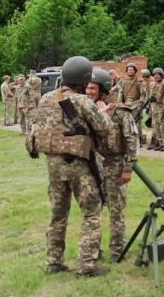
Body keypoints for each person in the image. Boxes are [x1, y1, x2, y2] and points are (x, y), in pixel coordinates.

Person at [28, 55, 113, 276]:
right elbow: (104, 128)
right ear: (85, 80)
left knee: (58, 214)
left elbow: (35, 132)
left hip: (53, 166)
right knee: (91, 213)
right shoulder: (83, 101)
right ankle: (86, 265)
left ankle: (53, 261)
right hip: (79, 166)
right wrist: (104, 113)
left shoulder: (46, 98)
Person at [88, 67, 138, 258]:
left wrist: (128, 168)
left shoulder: (121, 112)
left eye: (93, 89)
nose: (89, 92)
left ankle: (117, 249)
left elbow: (132, 140)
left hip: (115, 164)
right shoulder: (90, 110)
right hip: (95, 164)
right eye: (88, 88)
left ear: (103, 89)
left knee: (116, 210)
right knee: (93, 209)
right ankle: (94, 249)